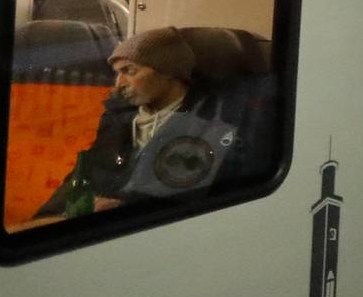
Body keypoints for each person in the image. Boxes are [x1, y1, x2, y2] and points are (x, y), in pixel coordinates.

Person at [37, 27, 253, 218]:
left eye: (129, 71)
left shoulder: (212, 122)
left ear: (168, 72)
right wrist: (47, 217)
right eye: (117, 73)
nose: (118, 84)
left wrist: (126, 208)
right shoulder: (117, 118)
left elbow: (191, 197)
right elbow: (85, 175)